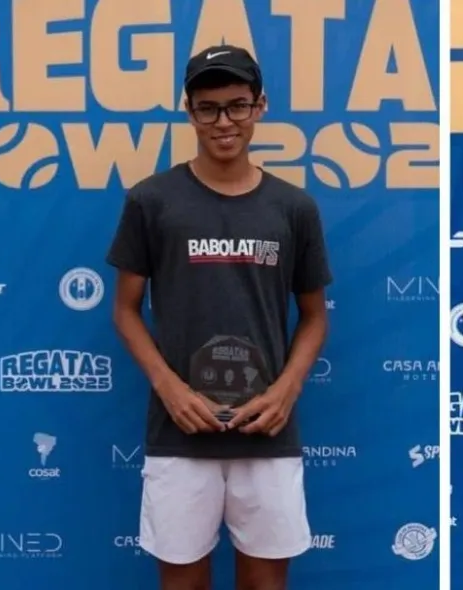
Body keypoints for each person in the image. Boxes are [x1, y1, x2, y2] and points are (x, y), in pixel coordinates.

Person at [106, 44, 332, 590]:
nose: (223, 122)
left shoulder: (294, 207)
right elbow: (125, 310)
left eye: (236, 105)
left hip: (267, 432)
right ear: (189, 111)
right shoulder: (151, 200)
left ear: (260, 106)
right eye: (208, 108)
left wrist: (285, 392)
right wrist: (171, 389)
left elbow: (314, 316)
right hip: (179, 432)